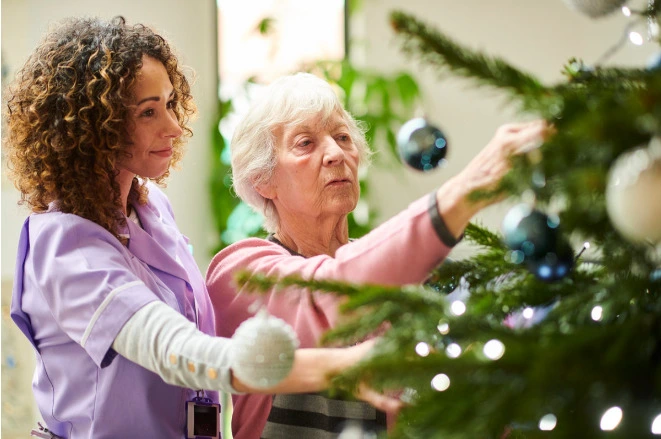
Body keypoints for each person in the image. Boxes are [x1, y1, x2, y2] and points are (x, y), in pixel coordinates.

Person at [4, 17, 400, 439]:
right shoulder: (66, 245)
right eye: (149, 112)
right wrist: (343, 365)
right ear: (93, 127)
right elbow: (177, 351)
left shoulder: (153, 210)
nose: (174, 127)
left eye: (171, 104)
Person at [205, 72, 552, 438]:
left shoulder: (393, 270)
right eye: (306, 143)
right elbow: (333, 295)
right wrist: (463, 193)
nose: (337, 154)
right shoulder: (240, 271)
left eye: (342, 137)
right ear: (263, 179)